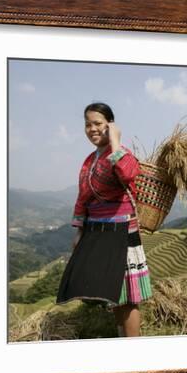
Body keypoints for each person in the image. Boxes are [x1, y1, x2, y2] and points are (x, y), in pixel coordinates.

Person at [55, 102, 153, 337]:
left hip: (121, 229)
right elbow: (83, 195)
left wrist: (116, 141)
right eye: (88, 124)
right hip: (97, 230)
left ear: (110, 125)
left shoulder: (122, 152)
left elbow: (128, 173)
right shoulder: (90, 160)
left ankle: (133, 350)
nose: (92, 129)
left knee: (128, 297)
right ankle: (121, 338)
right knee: (114, 291)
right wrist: (79, 231)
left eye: (97, 123)